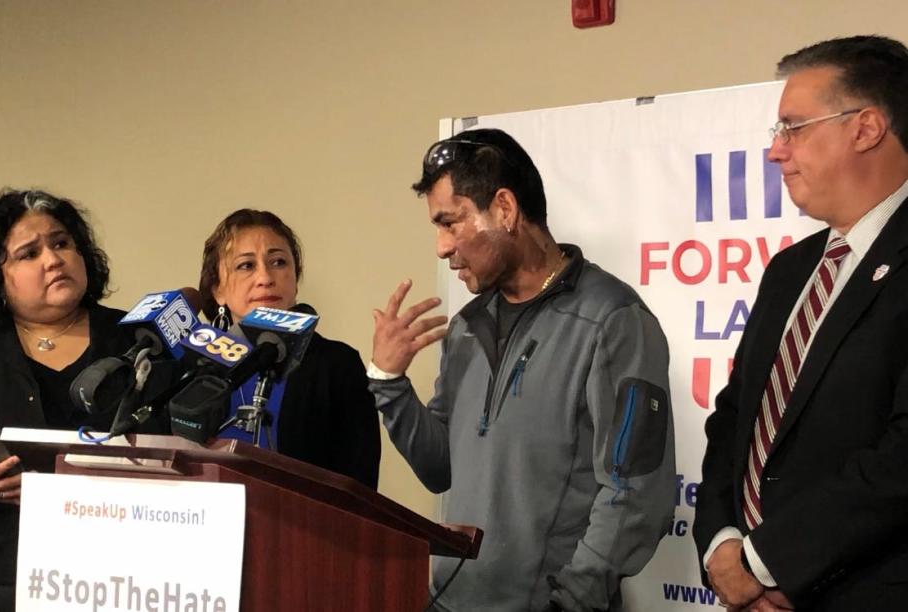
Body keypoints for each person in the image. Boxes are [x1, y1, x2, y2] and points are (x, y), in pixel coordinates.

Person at [368, 128, 675, 611]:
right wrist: (389, 383)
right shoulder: (468, 326)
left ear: (505, 210)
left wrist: (571, 602)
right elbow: (440, 469)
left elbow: (636, 495)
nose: (441, 247)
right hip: (449, 601)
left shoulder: (612, 320)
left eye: (451, 223)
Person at [693, 35, 908, 612]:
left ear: (866, 128)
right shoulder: (791, 270)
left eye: (793, 128)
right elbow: (736, 416)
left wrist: (766, 563)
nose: (775, 152)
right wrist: (720, 544)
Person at [0, 189, 134, 611]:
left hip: (116, 574)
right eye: (28, 254)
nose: (53, 259)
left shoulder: (137, 337)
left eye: (62, 243)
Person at [198, 208, 380, 489]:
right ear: (217, 290)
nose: (265, 278)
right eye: (246, 265)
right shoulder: (195, 368)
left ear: (296, 278)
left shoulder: (337, 365)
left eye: (279, 262)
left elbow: (358, 487)